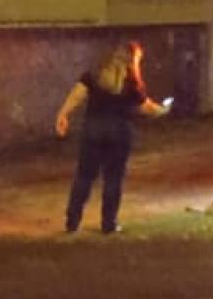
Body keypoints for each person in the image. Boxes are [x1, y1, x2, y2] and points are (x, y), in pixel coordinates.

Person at [55, 41, 170, 234]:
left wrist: (63, 114)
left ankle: (72, 221)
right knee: (113, 179)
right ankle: (108, 223)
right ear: (132, 59)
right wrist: (162, 110)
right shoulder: (131, 82)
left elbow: (77, 94)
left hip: (93, 131)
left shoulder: (94, 75)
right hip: (119, 134)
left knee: (84, 177)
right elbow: (145, 107)